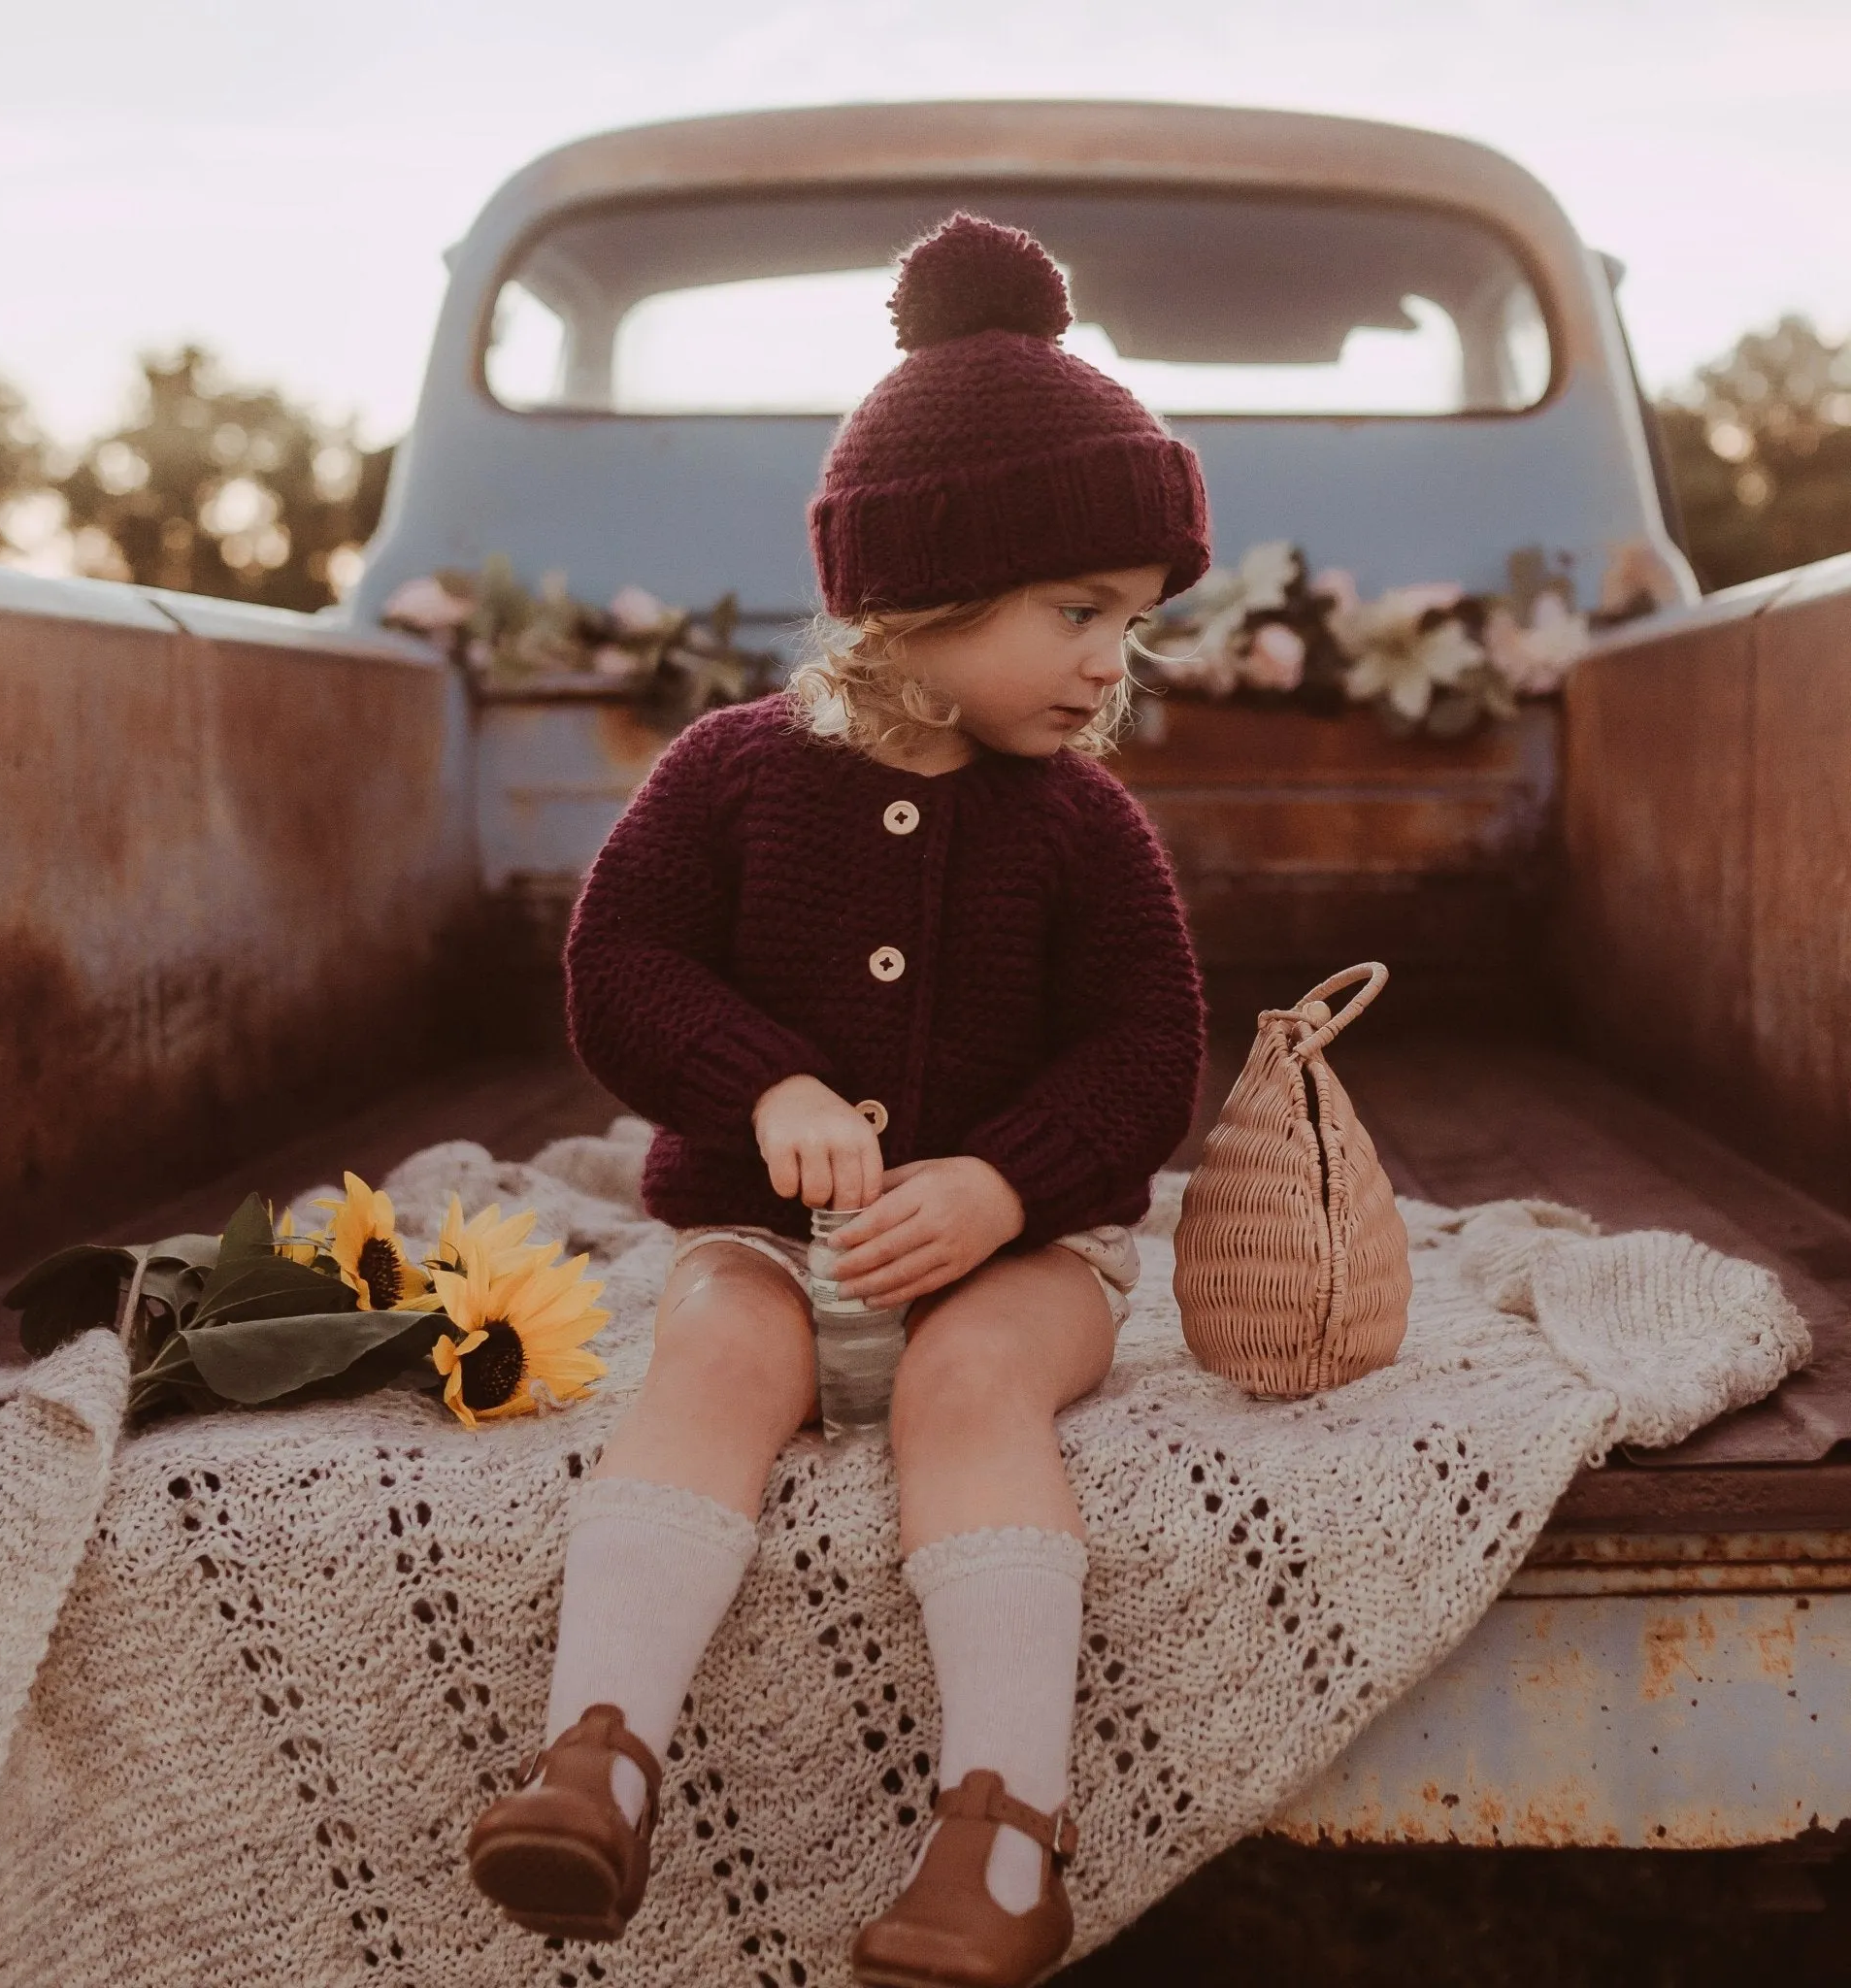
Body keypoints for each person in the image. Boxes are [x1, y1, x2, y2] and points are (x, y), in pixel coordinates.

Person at [464, 212, 1209, 1988]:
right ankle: (601, 1761)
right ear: (927, 592)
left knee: (970, 1381)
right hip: (766, 1234)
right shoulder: (735, 774)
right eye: (1081, 614)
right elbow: (622, 970)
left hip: (1015, 1263)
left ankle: (1004, 1837)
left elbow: (1147, 1055)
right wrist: (766, 1080)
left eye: (1135, 621)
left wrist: (1008, 1188)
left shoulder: (1085, 826)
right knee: (716, 1345)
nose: (1118, 661)